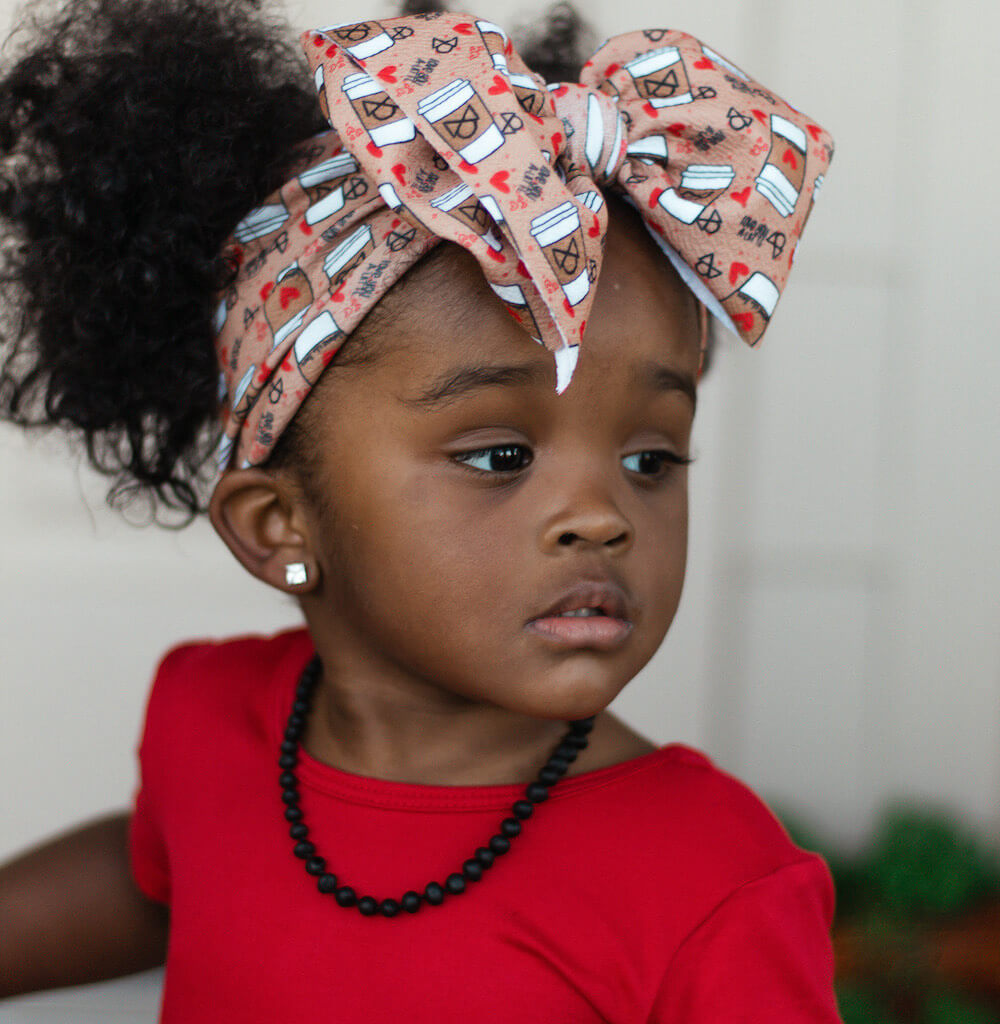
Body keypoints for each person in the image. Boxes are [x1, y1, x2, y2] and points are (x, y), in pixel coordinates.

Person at [0, 0, 840, 1019]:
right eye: (499, 454)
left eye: (650, 456)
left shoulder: (711, 878)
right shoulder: (209, 720)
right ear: (278, 526)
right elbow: (160, 879)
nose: (601, 514)